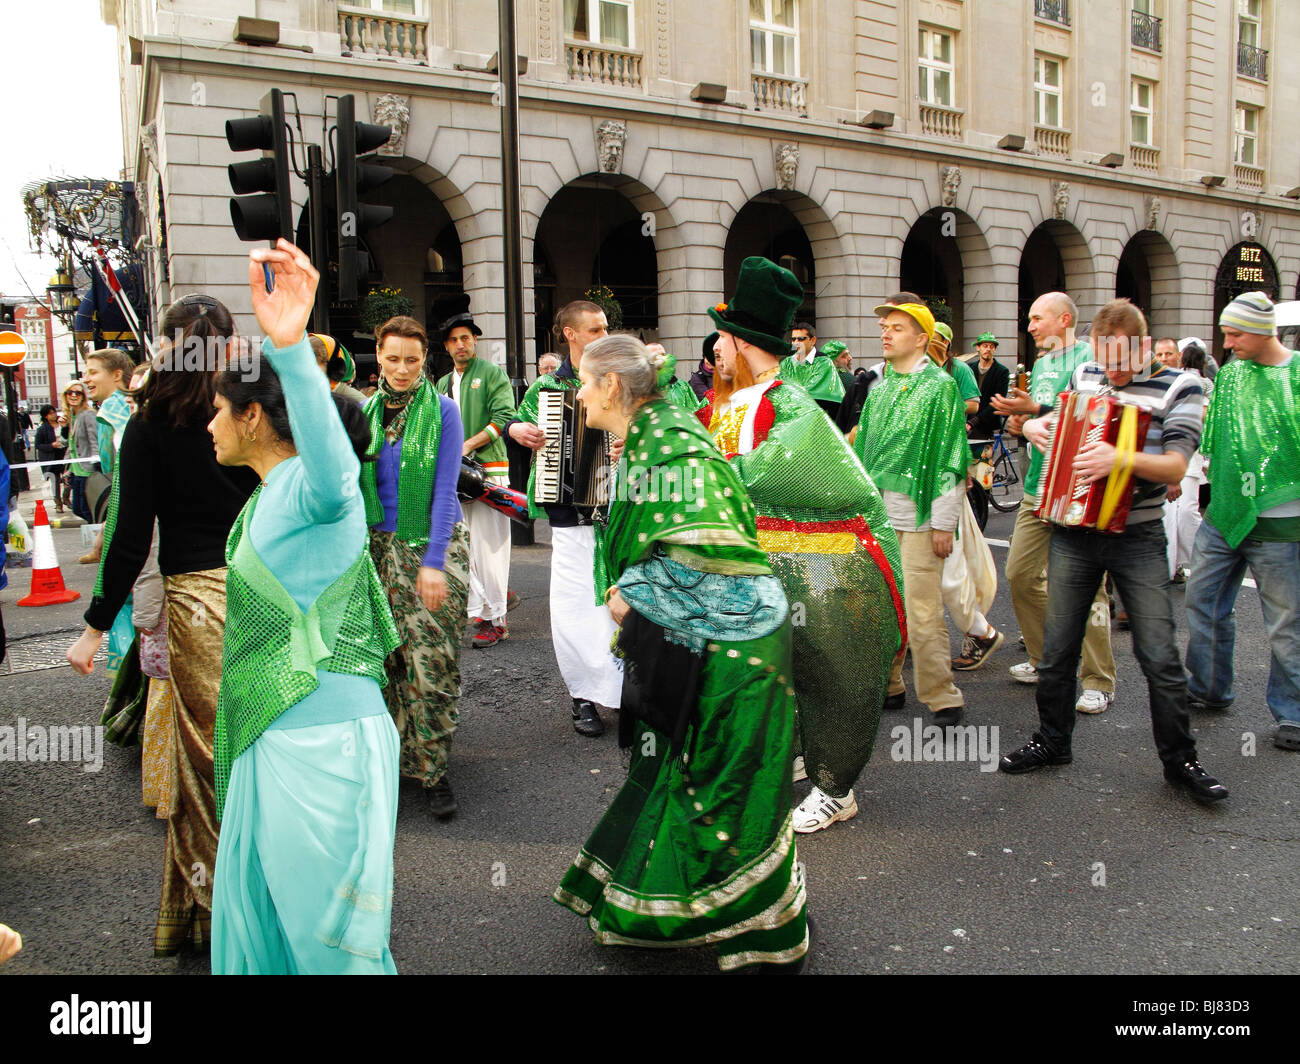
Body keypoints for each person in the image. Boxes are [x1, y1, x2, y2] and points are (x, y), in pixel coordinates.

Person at [554, 334, 810, 972]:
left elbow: (724, 558)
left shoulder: (669, 448)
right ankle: (679, 904)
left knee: (724, 793)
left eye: (585, 383)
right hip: (709, 646)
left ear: (613, 387)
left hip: (735, 653)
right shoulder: (653, 436)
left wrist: (631, 593)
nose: (578, 396)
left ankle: (758, 929)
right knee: (689, 777)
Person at [208, 238, 402, 974]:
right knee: (266, 928)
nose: (210, 425)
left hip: (324, 750)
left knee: (331, 956)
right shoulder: (266, 497)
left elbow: (335, 470)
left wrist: (288, 346)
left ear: (255, 417)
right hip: (273, 737)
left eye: (219, 411)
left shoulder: (314, 493)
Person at [67, 295, 260, 955]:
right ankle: (265, 896)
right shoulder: (249, 408)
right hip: (262, 593)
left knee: (204, 762)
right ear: (227, 345)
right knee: (258, 753)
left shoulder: (148, 423)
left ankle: (217, 908)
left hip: (196, 604)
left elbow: (128, 534)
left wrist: (95, 627)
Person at [703, 258, 906, 834]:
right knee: (780, 669)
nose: (715, 349)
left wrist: (708, 469)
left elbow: (796, 471)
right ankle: (795, 753)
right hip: (768, 565)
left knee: (833, 671)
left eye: (722, 338)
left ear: (741, 343)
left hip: (826, 566)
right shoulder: (735, 398)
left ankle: (836, 788)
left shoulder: (788, 403)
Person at [1002, 299, 1227, 802]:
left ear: (1144, 346)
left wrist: (1118, 458)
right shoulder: (1088, 373)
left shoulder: (1181, 385)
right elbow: (1061, 422)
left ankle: (1181, 760)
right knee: (1057, 652)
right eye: (1105, 357)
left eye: (1122, 358)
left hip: (1139, 536)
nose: (1114, 369)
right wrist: (1037, 426)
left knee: (1159, 656)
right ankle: (1052, 741)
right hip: (1073, 531)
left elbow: (1176, 466)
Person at [363, 315, 468, 819]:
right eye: (393, 358)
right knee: (382, 665)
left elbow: (446, 492)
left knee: (431, 666)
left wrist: (433, 562)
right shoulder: (362, 412)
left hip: (431, 544)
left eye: (413, 359)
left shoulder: (444, 411)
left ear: (426, 358)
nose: (403, 369)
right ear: (378, 356)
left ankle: (434, 771)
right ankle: (393, 759)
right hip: (372, 552)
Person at [1185, 292, 1300, 752]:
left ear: (1260, 330)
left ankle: (1293, 713)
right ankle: (1209, 686)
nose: (1227, 343)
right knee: (1202, 601)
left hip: (1283, 522)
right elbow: (1217, 436)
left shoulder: (1297, 373)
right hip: (1225, 513)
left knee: (1286, 624)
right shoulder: (1230, 376)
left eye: (1234, 333)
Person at [993, 292, 1117, 714]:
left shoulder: (1089, 360)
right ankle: (1047, 660)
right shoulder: (1040, 365)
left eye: (1036, 318)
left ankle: (1098, 679)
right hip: (1036, 487)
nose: (1029, 326)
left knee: (1089, 586)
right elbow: (1030, 424)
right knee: (1020, 574)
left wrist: (1033, 415)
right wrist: (1018, 423)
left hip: (1076, 488)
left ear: (1064, 319)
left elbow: (1092, 417)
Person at [508, 301, 623, 738]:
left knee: (620, 603)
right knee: (575, 606)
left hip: (618, 510)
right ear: (570, 335)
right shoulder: (545, 388)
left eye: (606, 328)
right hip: (568, 510)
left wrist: (629, 443)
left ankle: (621, 691)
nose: (603, 335)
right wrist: (518, 432)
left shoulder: (620, 382)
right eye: (595, 330)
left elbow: (652, 429)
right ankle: (583, 696)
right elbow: (516, 424)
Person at [854, 299, 969, 727]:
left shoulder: (940, 388)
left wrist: (944, 521)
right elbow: (864, 455)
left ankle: (942, 696)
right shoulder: (879, 388)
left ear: (921, 338)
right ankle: (890, 684)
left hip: (920, 519)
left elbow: (949, 457)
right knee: (882, 607)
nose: (886, 333)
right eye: (885, 326)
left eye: (897, 327)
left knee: (921, 611)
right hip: (881, 518)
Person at [434, 295, 517, 649]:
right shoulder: (439, 384)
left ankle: (496, 619)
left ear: (475, 340)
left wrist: (466, 446)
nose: (460, 344)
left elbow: (504, 417)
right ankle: (485, 609)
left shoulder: (492, 373)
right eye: (453, 339)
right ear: (446, 345)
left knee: (490, 547)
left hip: (489, 471)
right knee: (465, 547)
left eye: (465, 337)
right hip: (454, 476)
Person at [80, 347, 135, 561]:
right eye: (86, 373)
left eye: (93, 373)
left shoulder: (110, 408)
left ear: (116, 375)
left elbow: (107, 462)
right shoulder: (129, 401)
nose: (86, 379)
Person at [782, 320, 844, 416]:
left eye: (801, 339)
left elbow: (817, 395)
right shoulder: (786, 363)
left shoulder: (823, 362)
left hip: (816, 419)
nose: (796, 343)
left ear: (813, 340)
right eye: (793, 339)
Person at [929, 323, 979, 418]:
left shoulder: (961, 369)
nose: (929, 343)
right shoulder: (922, 368)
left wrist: (944, 408)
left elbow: (973, 405)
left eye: (934, 340)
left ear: (945, 343)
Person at [966, 332, 1010, 437]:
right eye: (985, 346)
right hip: (967, 421)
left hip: (987, 424)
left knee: (983, 452)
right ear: (978, 348)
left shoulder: (1002, 371)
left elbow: (997, 401)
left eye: (992, 346)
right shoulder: (969, 368)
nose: (988, 349)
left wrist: (974, 421)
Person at [65, 381, 97, 522]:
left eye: (78, 393)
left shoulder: (87, 414)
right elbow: (68, 443)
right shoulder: (72, 415)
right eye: (70, 392)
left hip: (87, 470)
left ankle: (100, 536)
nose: (73, 395)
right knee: (77, 509)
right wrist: (68, 468)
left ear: (84, 396)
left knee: (86, 509)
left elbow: (94, 440)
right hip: (76, 470)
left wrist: (96, 463)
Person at [33, 404, 66, 512]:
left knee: (69, 480)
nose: (54, 415)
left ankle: (66, 498)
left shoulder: (62, 423)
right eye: (51, 413)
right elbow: (38, 445)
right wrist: (51, 445)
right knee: (55, 481)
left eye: (54, 412)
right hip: (52, 458)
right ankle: (58, 503)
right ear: (45, 416)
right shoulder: (43, 429)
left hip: (65, 455)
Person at [687, 333, 716, 400]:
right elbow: (707, 401)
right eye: (706, 357)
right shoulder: (697, 378)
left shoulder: (727, 374)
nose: (707, 361)